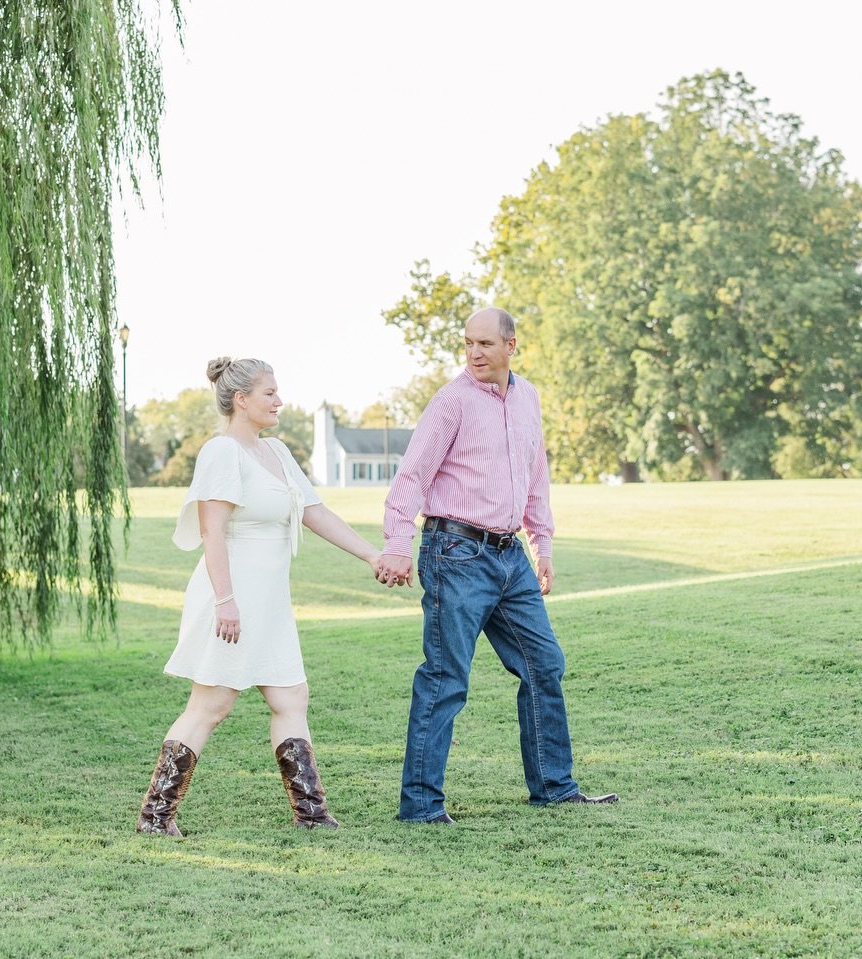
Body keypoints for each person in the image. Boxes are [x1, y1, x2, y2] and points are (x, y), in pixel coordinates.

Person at [377, 307, 617, 822]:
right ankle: (420, 806)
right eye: (468, 344)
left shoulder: (528, 397)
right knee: (445, 678)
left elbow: (536, 474)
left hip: (511, 558)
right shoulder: (451, 403)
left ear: (512, 345)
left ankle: (554, 787)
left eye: (485, 344)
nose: (475, 354)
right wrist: (398, 543)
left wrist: (543, 544)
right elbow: (412, 476)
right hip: (454, 554)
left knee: (544, 663)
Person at [136, 357, 384, 836]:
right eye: (269, 393)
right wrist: (226, 601)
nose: (279, 401)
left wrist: (371, 555)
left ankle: (311, 813)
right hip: (231, 598)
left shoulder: (277, 453)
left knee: (291, 696)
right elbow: (213, 531)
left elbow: (315, 512)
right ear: (241, 399)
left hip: (270, 602)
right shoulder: (221, 452)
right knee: (211, 705)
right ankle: (155, 816)